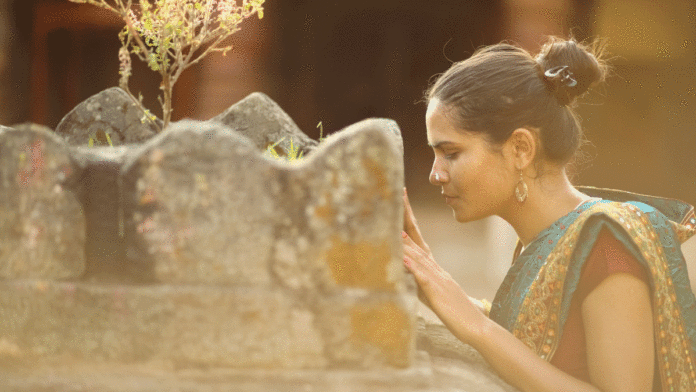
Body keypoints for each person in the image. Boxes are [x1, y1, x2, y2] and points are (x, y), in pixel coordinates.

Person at [401, 37, 696, 392]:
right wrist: (431, 278)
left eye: (451, 153)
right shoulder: (542, 241)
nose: (435, 174)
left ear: (521, 148)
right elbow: (529, 346)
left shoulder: (607, 243)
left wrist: (477, 329)